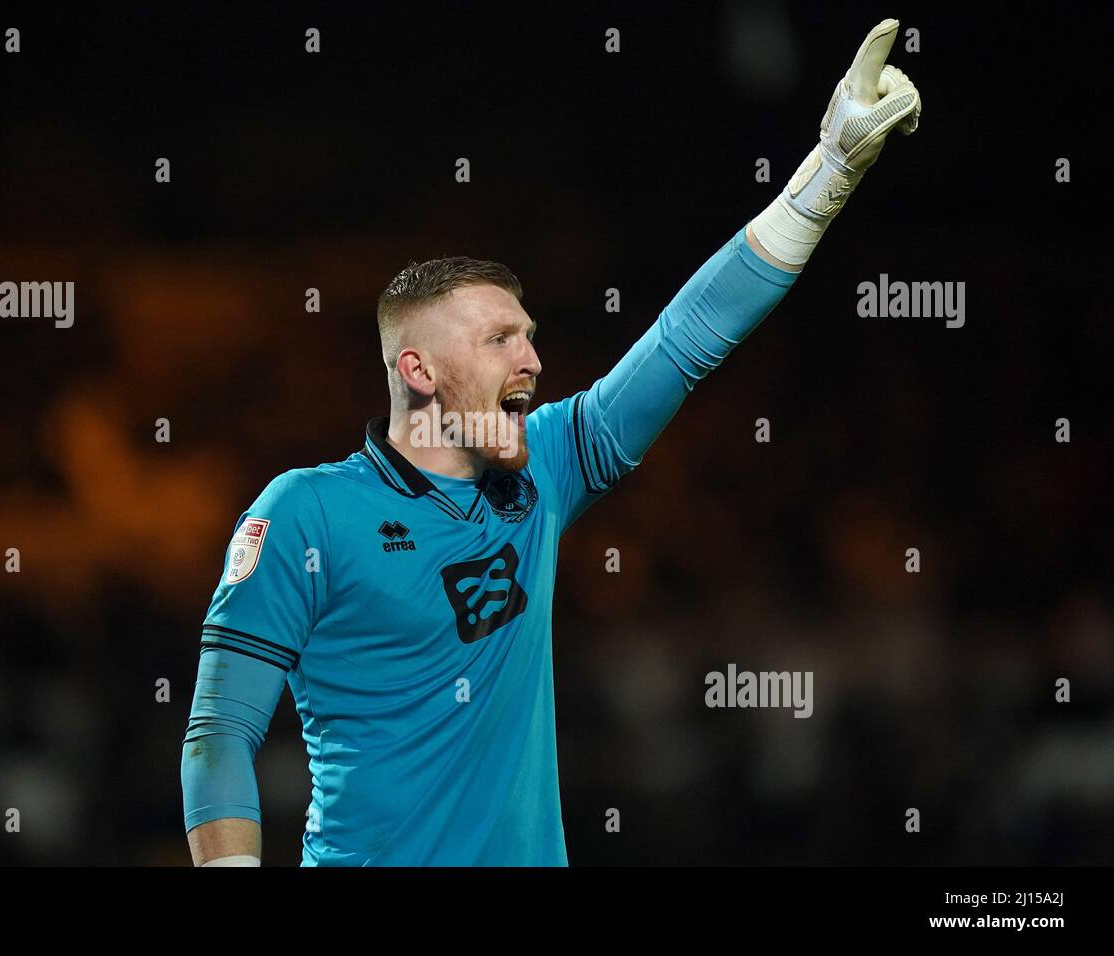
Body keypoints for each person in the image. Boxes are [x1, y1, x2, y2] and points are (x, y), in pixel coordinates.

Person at [181, 18, 920, 866]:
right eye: (499, 339)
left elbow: (689, 335)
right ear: (417, 367)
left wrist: (829, 171)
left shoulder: (550, 468)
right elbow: (219, 735)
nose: (532, 359)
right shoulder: (305, 513)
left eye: (529, 335)